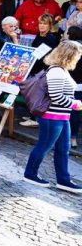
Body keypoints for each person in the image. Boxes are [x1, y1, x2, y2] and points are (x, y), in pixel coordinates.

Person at [23, 41, 82, 193]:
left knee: (63, 149)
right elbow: (56, 96)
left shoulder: (62, 70)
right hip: (52, 116)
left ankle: (63, 180)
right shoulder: (57, 71)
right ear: (69, 55)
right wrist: (75, 104)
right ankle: (30, 174)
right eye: (78, 54)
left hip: (61, 117)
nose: (79, 57)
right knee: (44, 146)